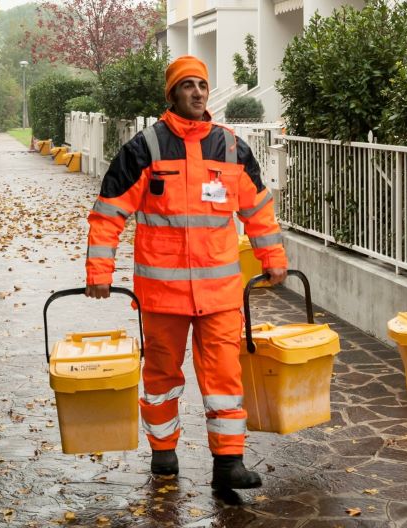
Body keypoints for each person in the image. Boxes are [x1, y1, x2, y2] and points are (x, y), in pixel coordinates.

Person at [85, 55, 288, 490]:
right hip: (162, 295)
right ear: (173, 94)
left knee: (225, 378)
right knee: (161, 375)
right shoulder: (145, 148)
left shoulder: (231, 147)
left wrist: (272, 258)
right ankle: (163, 452)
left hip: (218, 295)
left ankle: (228, 462)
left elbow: (258, 210)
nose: (197, 92)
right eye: (188, 85)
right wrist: (98, 270)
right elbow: (108, 213)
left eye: (202, 85)